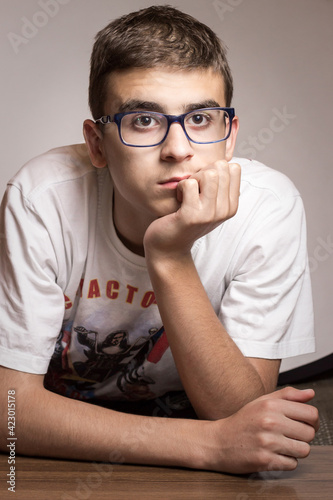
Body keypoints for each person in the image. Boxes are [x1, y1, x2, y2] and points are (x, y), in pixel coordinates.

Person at [0, 5, 319, 474]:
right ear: (97, 145)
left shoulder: (269, 208)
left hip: (181, 455)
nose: (178, 149)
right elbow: (10, 414)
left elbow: (241, 416)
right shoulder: (42, 197)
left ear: (230, 136)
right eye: (144, 121)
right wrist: (209, 446)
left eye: (201, 118)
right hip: (61, 454)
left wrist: (170, 258)